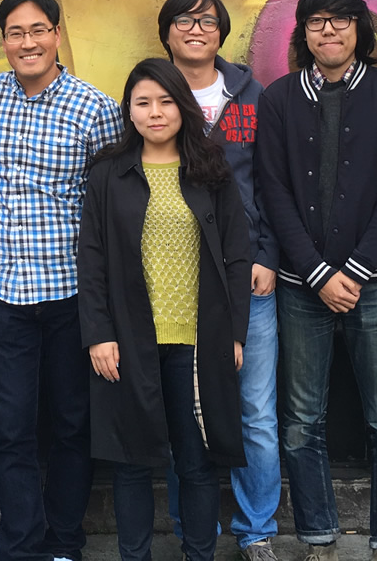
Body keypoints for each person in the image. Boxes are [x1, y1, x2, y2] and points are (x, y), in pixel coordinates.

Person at [256, 0, 377, 561]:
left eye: (341, 19)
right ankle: (318, 538)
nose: (329, 30)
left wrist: (356, 267)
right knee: (301, 420)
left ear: (358, 27)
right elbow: (273, 190)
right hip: (302, 287)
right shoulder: (278, 99)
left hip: (376, 282)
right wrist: (318, 272)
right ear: (303, 32)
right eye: (317, 20)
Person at [0, 0, 122, 561]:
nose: (27, 42)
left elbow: (108, 208)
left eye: (38, 30)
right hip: (2, 290)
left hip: (69, 293)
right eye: (16, 32)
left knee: (70, 424)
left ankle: (63, 542)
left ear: (57, 35)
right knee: (11, 429)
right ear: (4, 40)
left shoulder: (95, 108)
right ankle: (20, 545)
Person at [78, 57, 251, 561]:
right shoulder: (108, 173)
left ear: (183, 107)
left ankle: (199, 553)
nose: (155, 113)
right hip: (129, 342)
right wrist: (98, 333)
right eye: (143, 103)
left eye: (166, 101)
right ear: (129, 111)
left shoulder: (210, 169)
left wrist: (234, 334)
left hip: (196, 343)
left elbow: (238, 255)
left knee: (195, 461)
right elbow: (91, 258)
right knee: (132, 461)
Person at [156, 0, 280, 560]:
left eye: (207, 21)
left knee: (255, 411)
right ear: (167, 33)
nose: (195, 29)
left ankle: (257, 530)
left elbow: (274, 182)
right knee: (183, 413)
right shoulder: (154, 93)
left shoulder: (252, 95)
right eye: (183, 20)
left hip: (246, 275)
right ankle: (192, 530)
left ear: (221, 32)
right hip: (176, 281)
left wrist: (267, 255)